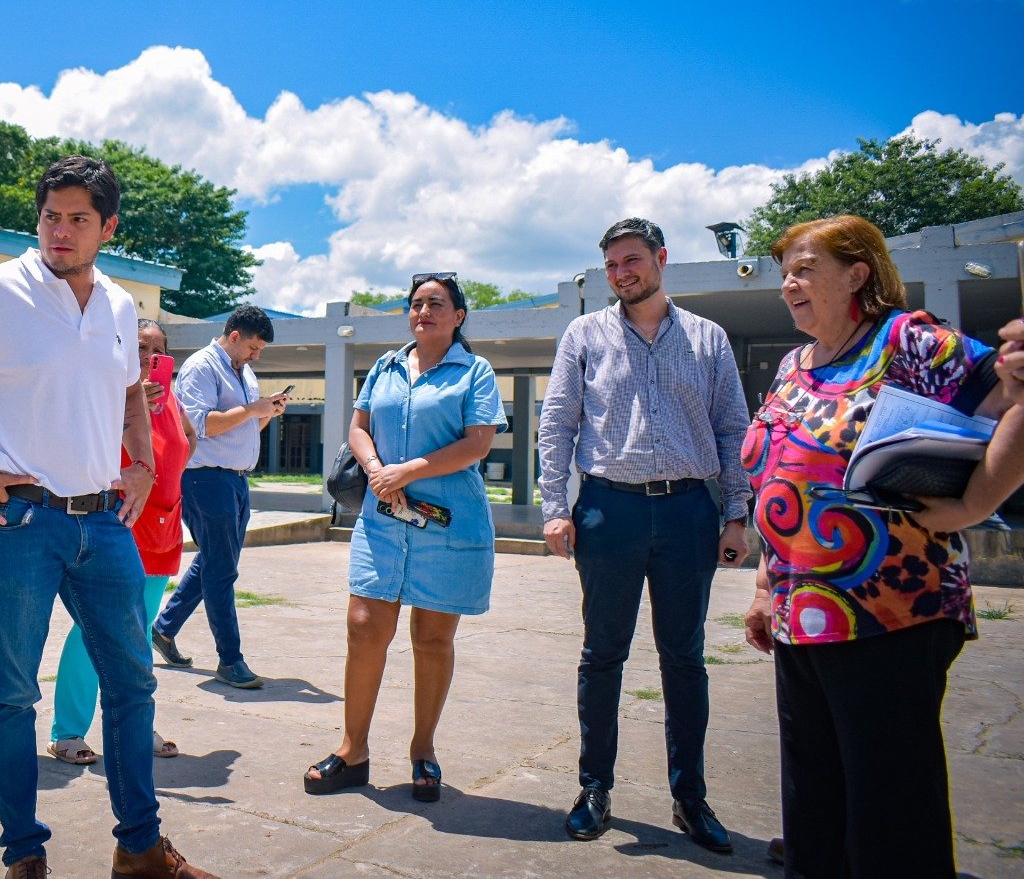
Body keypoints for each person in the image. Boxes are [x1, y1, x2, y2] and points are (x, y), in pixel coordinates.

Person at [0, 155, 217, 879]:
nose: (60, 231)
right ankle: (24, 858)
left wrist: (142, 462)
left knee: (133, 687)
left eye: (79, 219)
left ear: (109, 227)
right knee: (12, 696)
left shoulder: (123, 307)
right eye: (50, 216)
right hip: (21, 524)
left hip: (104, 524)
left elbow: (132, 389)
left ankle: (140, 848)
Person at [741, 214, 1020, 878]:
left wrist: (976, 503)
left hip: (892, 610)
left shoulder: (906, 341)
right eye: (785, 271)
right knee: (814, 801)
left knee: (890, 810)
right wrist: (763, 582)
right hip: (800, 611)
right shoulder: (794, 361)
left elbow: (1014, 395)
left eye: (805, 268)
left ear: (857, 274)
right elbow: (783, 473)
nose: (789, 284)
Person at [537, 217, 751, 853]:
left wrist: (735, 513)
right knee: (603, 654)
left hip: (689, 512)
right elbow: (557, 424)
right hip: (610, 510)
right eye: (611, 265)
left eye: (632, 260)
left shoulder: (708, 338)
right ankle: (594, 787)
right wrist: (556, 506)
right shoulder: (585, 334)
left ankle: (690, 798)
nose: (622, 272)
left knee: (684, 658)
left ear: (661, 259)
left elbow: (732, 429)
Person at [303, 273, 505, 802]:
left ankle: (423, 750)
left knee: (432, 638)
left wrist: (407, 471)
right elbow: (358, 427)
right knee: (364, 626)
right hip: (383, 515)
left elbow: (477, 443)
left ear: (458, 316)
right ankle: (353, 750)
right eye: (416, 304)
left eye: (436, 304)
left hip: (448, 522)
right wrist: (375, 469)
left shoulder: (475, 371)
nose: (424, 312)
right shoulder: (386, 367)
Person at [51, 319, 197, 765]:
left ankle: (136, 722)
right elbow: (75, 441)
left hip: (163, 529)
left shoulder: (170, 399)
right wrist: (123, 411)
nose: (149, 358)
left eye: (157, 350)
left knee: (137, 635)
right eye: (139, 349)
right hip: (119, 526)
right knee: (94, 629)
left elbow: (188, 438)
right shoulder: (103, 393)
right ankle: (68, 731)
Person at [151, 304, 288, 689]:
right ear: (233, 336)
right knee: (223, 570)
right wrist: (252, 409)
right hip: (205, 479)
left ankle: (162, 629)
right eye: (253, 348)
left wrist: (267, 412)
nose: (256, 355)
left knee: (216, 561)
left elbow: (246, 425)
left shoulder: (243, 371)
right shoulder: (201, 367)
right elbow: (199, 426)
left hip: (235, 481)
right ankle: (230, 660)